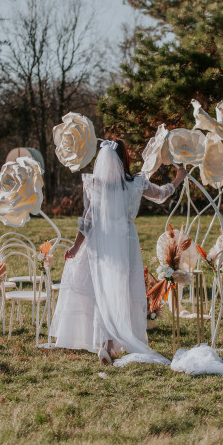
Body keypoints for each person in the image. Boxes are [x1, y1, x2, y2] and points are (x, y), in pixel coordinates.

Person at [50, 138, 187, 364]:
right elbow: (161, 194)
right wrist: (179, 178)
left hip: (100, 243)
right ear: (125, 159)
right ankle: (112, 344)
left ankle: (105, 344)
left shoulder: (96, 185)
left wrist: (76, 246)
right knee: (123, 289)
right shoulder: (136, 183)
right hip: (125, 241)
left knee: (102, 290)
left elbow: (88, 220)